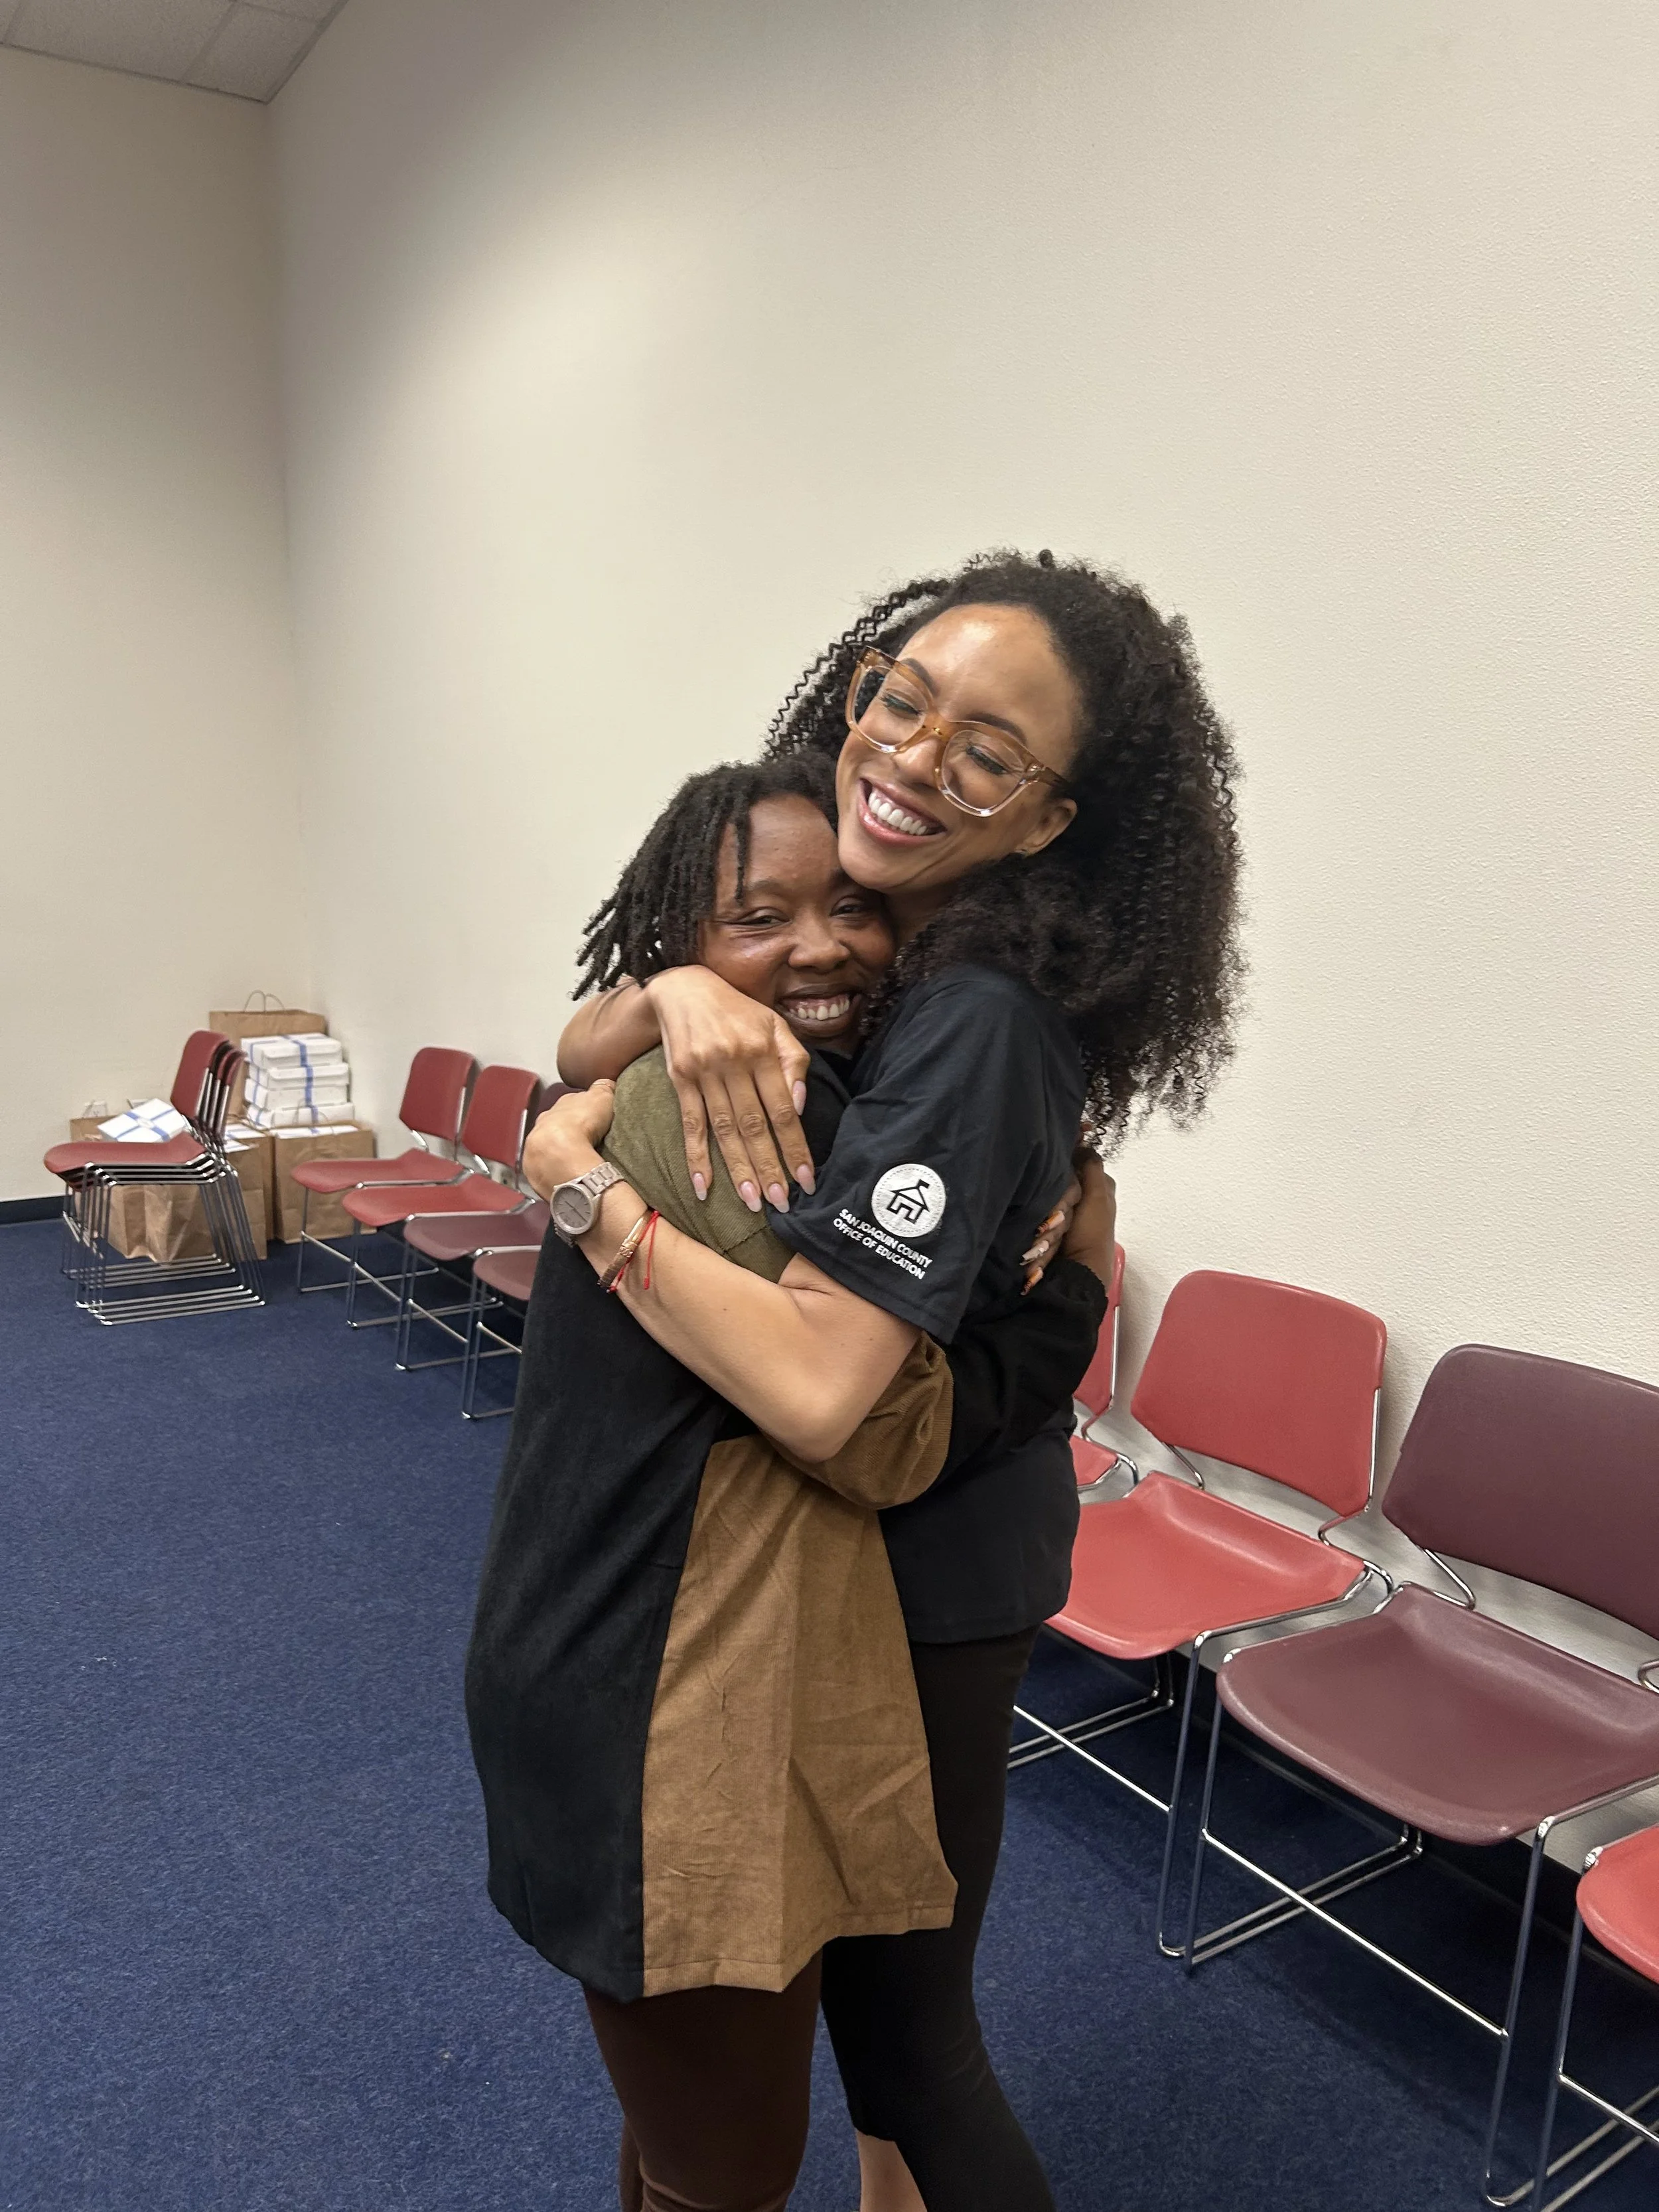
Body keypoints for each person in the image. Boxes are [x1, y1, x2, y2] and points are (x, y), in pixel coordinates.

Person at [545, 548, 1243, 2212]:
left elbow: (821, 1394)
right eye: (901, 697)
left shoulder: (973, 1015)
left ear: (1047, 815)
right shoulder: (893, 956)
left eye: (985, 752)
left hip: (930, 1554)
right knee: (880, 2032)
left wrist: (586, 1197)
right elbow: (593, 1027)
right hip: (867, 1542)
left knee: (906, 2034)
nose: (916, 755)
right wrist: (659, 1006)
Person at [467, 749, 1115, 2212]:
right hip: (652, 1693)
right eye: (758, 917)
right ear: (682, 938)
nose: (818, 944)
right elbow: (864, 1423)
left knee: (690, 2129)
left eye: (851, 908)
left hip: (617, 1639)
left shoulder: (773, 1075)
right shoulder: (728, 1112)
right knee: (736, 2162)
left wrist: (644, 1026)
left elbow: (596, 1056)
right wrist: (1075, 1287)